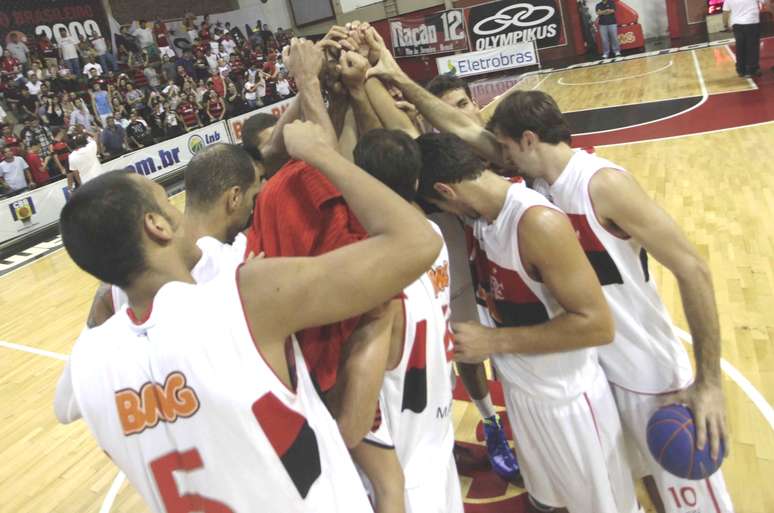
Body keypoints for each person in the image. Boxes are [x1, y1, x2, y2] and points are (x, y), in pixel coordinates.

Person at [55, 114, 440, 512]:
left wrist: (109, 288)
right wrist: (319, 153)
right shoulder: (245, 297)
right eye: (168, 204)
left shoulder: (88, 362)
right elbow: (416, 242)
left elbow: (63, 405)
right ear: (157, 226)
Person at [487, 90, 735, 513]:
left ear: (529, 140)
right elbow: (467, 136)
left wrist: (709, 382)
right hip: (599, 380)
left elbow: (693, 268)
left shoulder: (603, 183)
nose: (502, 160)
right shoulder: (541, 188)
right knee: (640, 493)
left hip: (652, 379)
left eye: (506, 147)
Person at [416, 132, 638, 513]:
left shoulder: (537, 223)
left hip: (569, 404)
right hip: (525, 397)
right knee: (546, 504)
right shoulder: (484, 218)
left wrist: (493, 342)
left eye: (440, 206)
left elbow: (597, 324)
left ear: (446, 192)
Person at [365, 34, 520, 483]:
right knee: (462, 350)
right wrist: (376, 63)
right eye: (450, 105)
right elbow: (395, 112)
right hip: (460, 265)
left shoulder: (498, 149)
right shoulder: (440, 157)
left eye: (465, 102)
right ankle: (489, 422)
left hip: (505, 265)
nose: (464, 112)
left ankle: (515, 421)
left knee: (509, 349)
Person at [349, 129, 463, 513]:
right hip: (436, 432)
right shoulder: (431, 234)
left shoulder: (373, 273)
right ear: (416, 182)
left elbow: (351, 421)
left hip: (400, 464)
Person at [723, 0, 764, 77]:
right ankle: (751, 70)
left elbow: (725, 12)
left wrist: (725, 25)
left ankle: (741, 70)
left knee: (740, 47)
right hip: (752, 23)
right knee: (752, 47)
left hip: (737, 24)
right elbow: (766, 2)